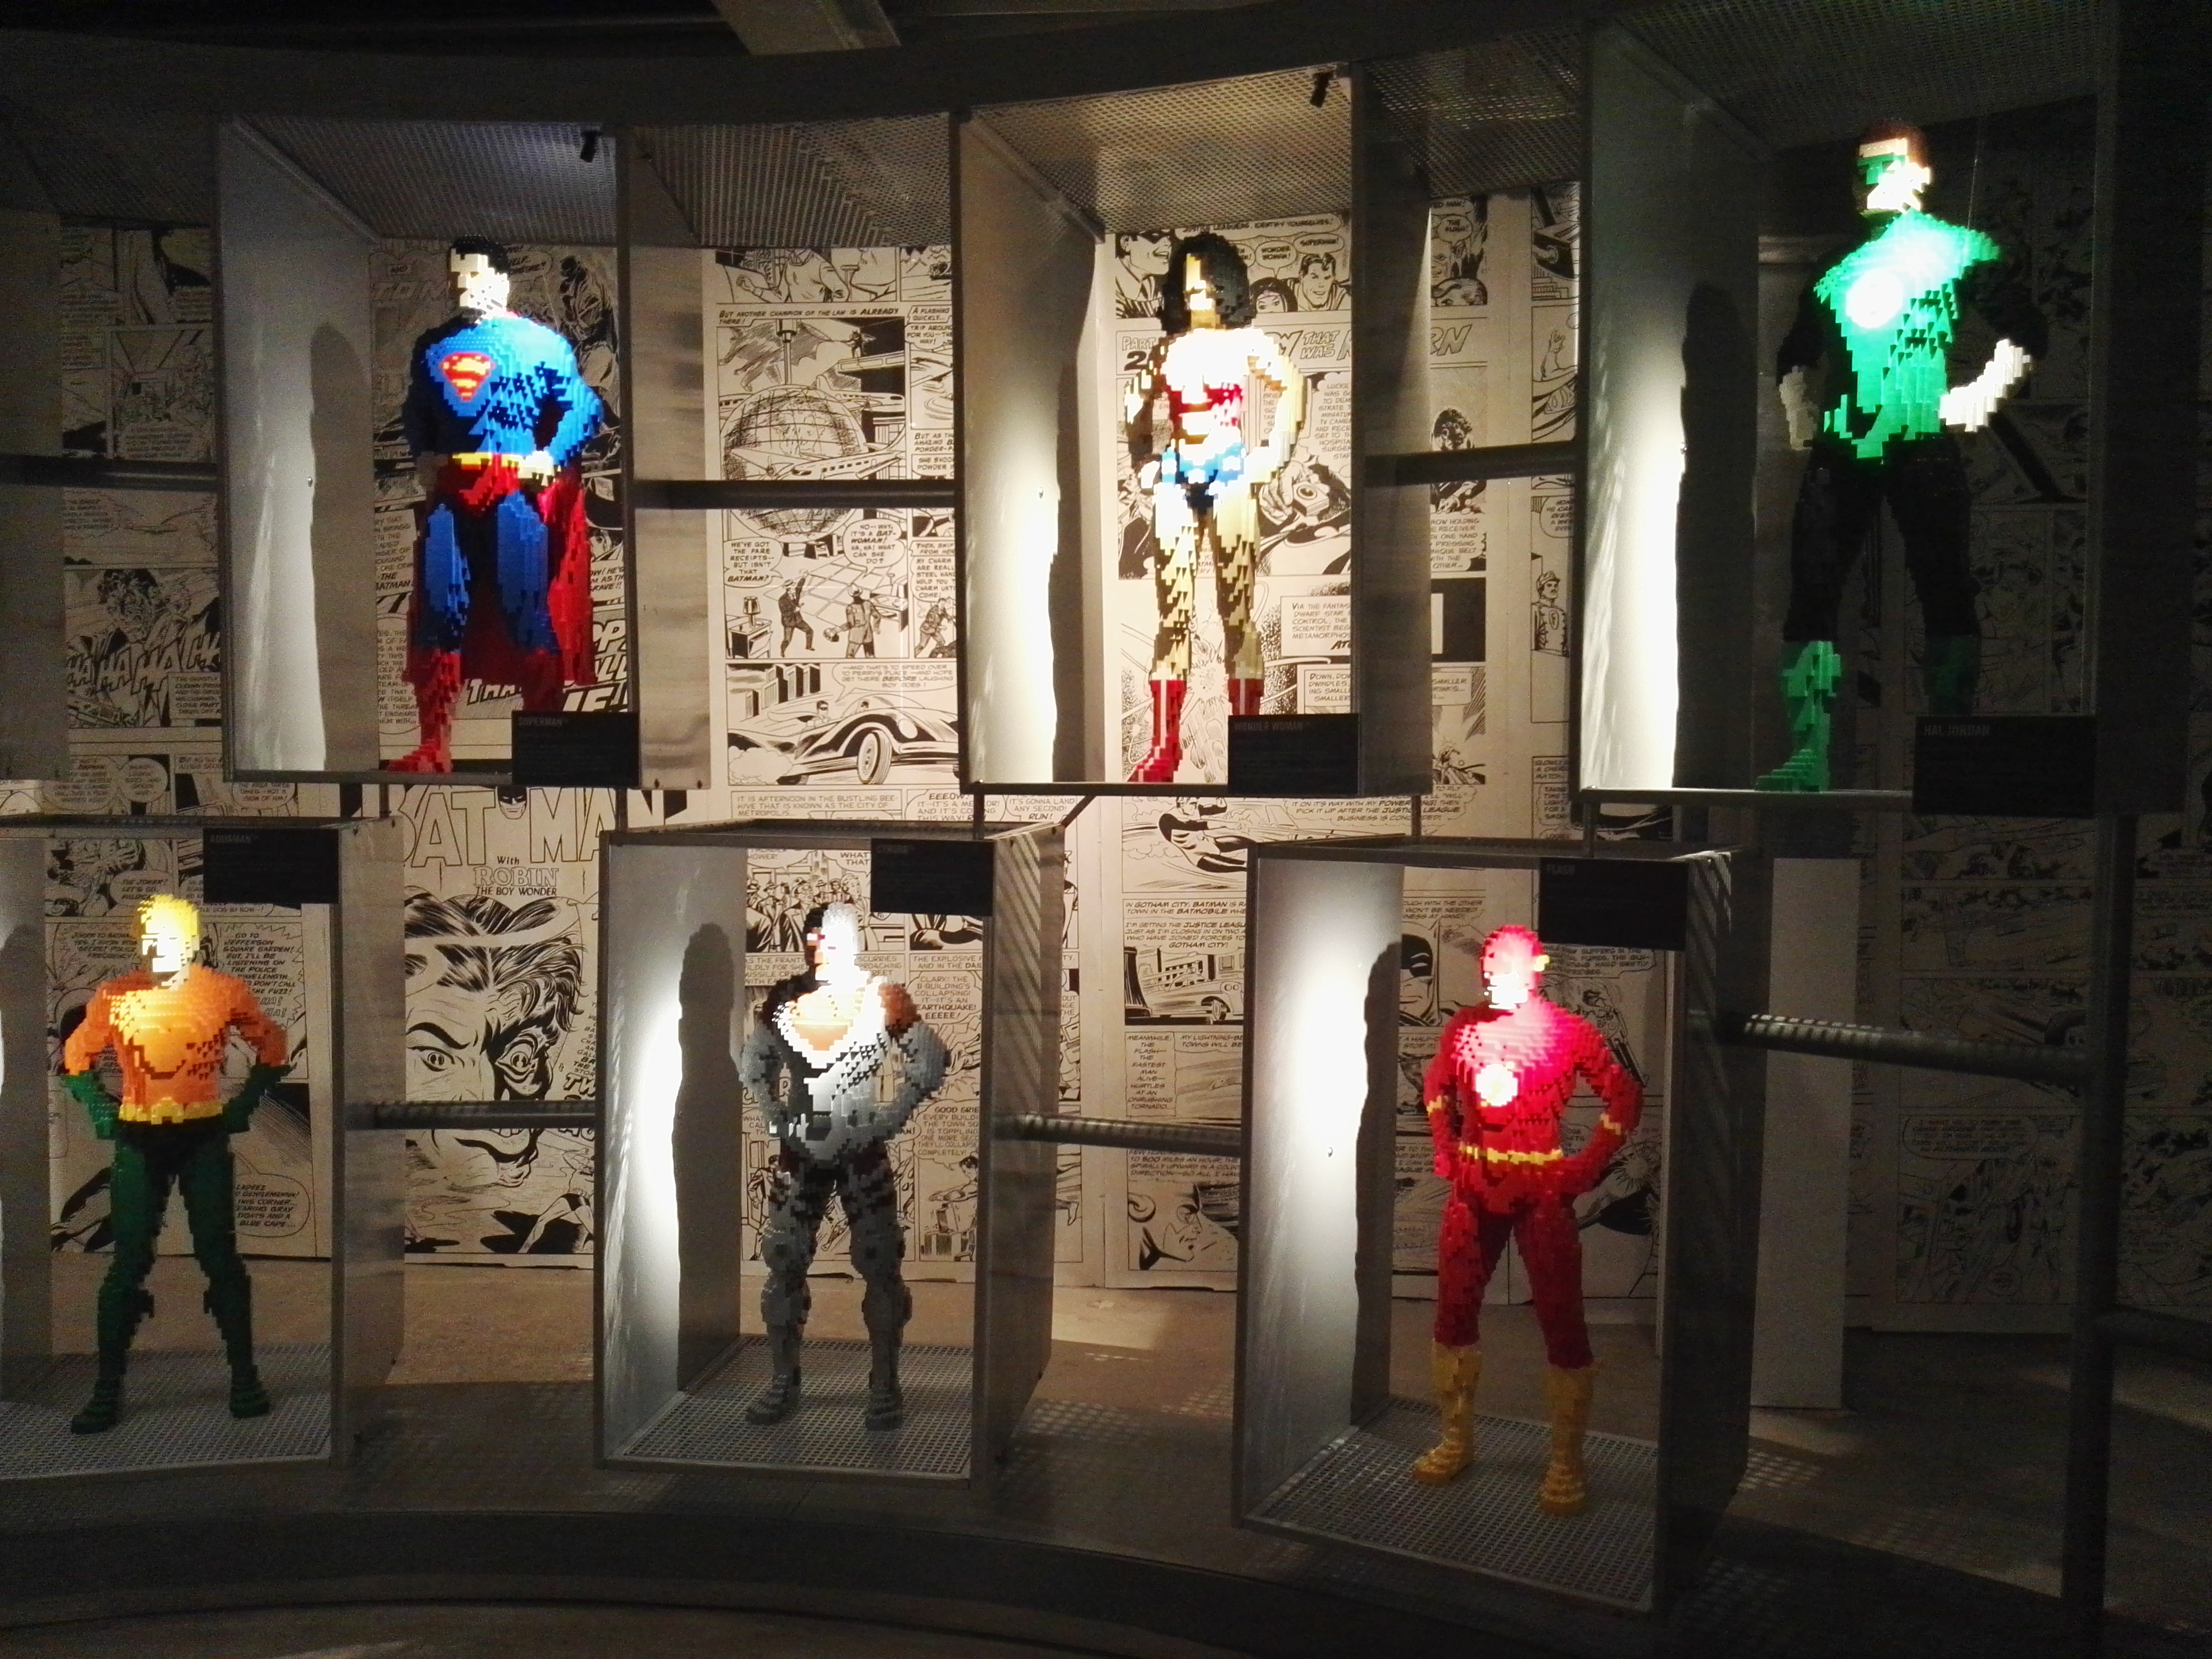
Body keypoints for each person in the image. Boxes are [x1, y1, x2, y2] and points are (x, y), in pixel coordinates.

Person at [1759, 121, 2047, 791]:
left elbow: (2025, 329)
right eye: (1862, 170)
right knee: (1812, 594)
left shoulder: (1955, 249)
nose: (1869, 181)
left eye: (1884, 166)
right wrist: (1801, 412)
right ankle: (1809, 754)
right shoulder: (1836, 270)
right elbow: (1794, 353)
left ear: (1920, 174)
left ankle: (1953, 746)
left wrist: (1983, 391)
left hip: (1917, 436)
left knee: (1944, 586)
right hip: (1845, 444)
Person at [1414, 925, 1642, 1515]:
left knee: (1563, 1322)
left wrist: (1585, 1168)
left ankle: (1565, 1459)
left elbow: (1624, 1096)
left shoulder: (1568, 1031)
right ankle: (1456, 1438)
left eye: (1508, 972)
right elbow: (1437, 1084)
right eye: (1490, 972)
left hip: (1541, 1192)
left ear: (1535, 972)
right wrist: (1445, 1147)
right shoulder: (1465, 1027)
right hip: (1475, 1188)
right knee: (1453, 1313)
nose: (1497, 982)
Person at [58, 895, 290, 1432]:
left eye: (171, 938)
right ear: (139, 943)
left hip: (201, 1132)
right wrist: (100, 1109)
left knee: (219, 1255)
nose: (160, 949)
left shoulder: (222, 990)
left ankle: (244, 1376)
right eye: (150, 939)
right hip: (140, 1135)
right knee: (128, 1262)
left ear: (191, 942)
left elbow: (272, 1045)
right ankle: (107, 1386)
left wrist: (243, 1105)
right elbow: (76, 1057)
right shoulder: (116, 995)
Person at [738, 903, 949, 1430]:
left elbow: (930, 1057)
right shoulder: (783, 999)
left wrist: (889, 1119)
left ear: (853, 941)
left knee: (880, 1264)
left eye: (832, 937)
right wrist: (773, 1115)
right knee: (784, 1259)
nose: (821, 947)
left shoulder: (881, 996)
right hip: (803, 1147)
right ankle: (784, 1379)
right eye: (814, 937)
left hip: (859, 1145)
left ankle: (885, 1382)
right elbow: (755, 1063)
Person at [396, 237, 602, 772]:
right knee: (440, 612)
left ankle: (547, 746)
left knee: (526, 608)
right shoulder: (433, 345)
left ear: (502, 280)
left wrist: (551, 456)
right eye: (455, 276)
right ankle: (434, 745)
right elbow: (417, 408)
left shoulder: (538, 342)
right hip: (453, 491)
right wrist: (423, 452)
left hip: (514, 492)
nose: (462, 286)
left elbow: (583, 407)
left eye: (474, 275)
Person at [1124, 234, 1306, 781]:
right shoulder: (1168, 350)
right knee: (1172, 618)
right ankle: (1164, 748)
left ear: (1226, 287)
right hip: (1178, 476)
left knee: (1237, 615)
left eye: (1205, 285)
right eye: (1188, 287)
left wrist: (1270, 458)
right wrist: (1144, 461)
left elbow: (1294, 391)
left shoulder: (1248, 343)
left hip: (1229, 475)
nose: (1196, 295)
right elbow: (1136, 406)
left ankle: (1251, 746)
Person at [776, 576, 815, 656]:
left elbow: (799, 587)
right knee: (787, 640)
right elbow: (784, 613)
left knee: (810, 631)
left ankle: (809, 647)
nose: (795, 587)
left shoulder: (795, 594)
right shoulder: (782, 599)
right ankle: (782, 651)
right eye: (793, 586)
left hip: (798, 620)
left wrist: (804, 577)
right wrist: (795, 610)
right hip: (789, 622)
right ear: (789, 588)